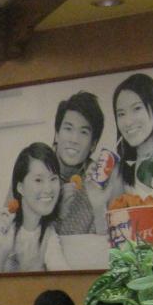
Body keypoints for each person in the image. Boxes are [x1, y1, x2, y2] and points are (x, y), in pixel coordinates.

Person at [0, 142, 70, 273]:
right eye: (38, 180)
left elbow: (65, 277)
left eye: (53, 179)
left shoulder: (48, 235)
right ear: (20, 187)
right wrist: (3, 251)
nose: (48, 189)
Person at [84, 73, 153, 225]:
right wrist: (97, 204)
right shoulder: (118, 172)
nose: (127, 122)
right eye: (121, 114)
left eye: (136, 108)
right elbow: (112, 232)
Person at [51, 91, 103, 236]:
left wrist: (99, 205)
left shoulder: (99, 179)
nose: (74, 139)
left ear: (93, 144)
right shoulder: (32, 169)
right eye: (68, 129)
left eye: (83, 132)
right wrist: (56, 215)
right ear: (56, 134)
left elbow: (107, 242)